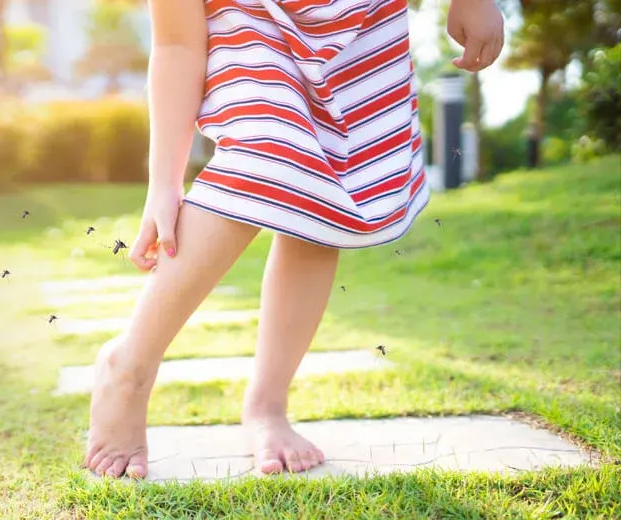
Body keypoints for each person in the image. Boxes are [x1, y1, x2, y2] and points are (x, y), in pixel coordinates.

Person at [83, 0, 504, 479]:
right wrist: (164, 182)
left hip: (360, 22)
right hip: (252, 12)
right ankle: (130, 366)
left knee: (332, 187)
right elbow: (177, 42)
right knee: (265, 144)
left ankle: (268, 404)